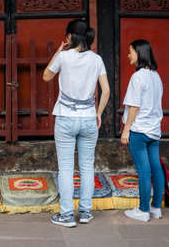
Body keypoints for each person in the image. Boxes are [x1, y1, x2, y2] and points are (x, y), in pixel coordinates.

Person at [43, 19, 110, 227]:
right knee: (87, 166)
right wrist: (98, 113)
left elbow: (46, 76)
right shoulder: (96, 59)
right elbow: (106, 91)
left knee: (66, 168)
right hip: (89, 117)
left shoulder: (63, 57)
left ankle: (66, 215)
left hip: (66, 117)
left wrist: (57, 52)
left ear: (70, 36)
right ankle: (86, 212)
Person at [121, 39, 164, 222]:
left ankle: (143, 210)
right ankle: (156, 208)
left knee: (144, 171)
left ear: (139, 53)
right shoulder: (156, 76)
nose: (128, 55)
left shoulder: (138, 77)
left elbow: (134, 107)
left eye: (130, 51)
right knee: (156, 168)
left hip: (139, 130)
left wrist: (126, 130)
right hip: (154, 130)